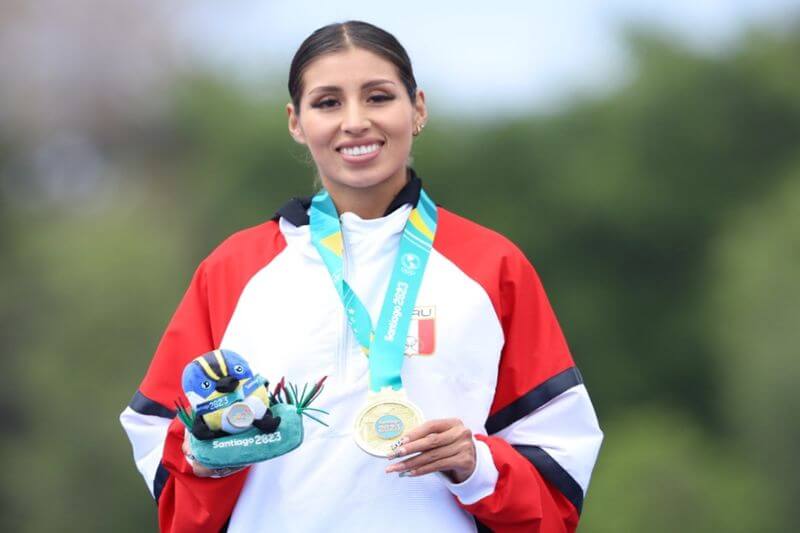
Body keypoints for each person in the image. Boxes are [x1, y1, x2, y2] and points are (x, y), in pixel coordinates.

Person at [120, 20, 603, 533]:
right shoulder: (233, 269)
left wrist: (475, 464)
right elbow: (164, 453)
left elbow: (558, 483)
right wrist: (213, 452)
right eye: (328, 103)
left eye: (378, 97)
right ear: (296, 122)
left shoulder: (493, 266)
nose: (355, 121)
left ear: (417, 108)